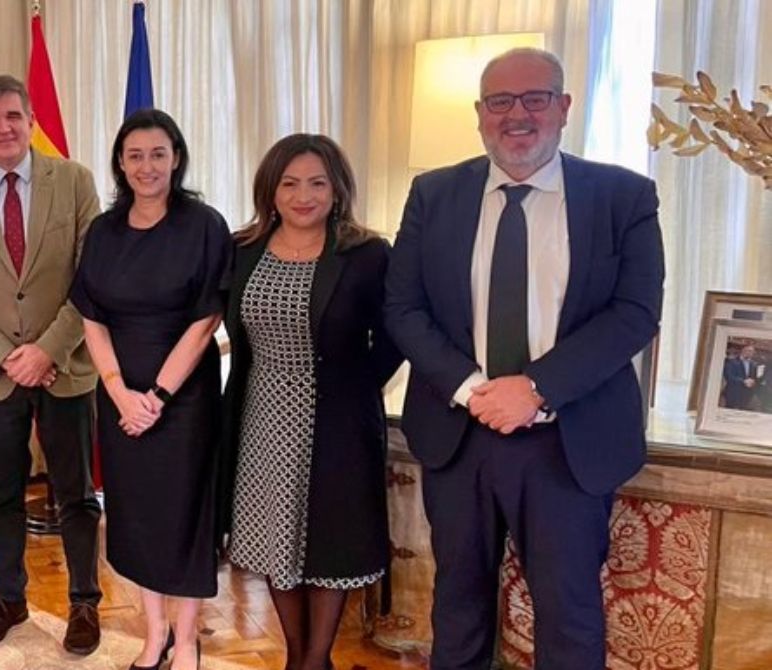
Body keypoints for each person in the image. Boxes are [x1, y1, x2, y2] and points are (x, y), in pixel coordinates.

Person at [385, 48, 664, 669]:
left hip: (568, 440)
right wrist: (472, 389)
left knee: (568, 617)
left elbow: (635, 312)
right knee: (457, 609)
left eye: (535, 98)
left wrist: (535, 388)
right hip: (460, 434)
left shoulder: (623, 196)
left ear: (563, 107)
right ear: (479, 113)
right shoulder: (433, 194)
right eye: (500, 102)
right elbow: (402, 307)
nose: (517, 115)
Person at [0, 74, 104, 655]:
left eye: (12, 115)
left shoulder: (74, 181)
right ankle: (9, 598)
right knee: (0, 494)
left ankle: (84, 602)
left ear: (30, 120)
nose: (3, 127)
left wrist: (47, 350)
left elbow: (91, 278)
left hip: (65, 366)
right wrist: (8, 356)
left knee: (75, 494)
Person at [220, 133, 402, 670]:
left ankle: (314, 659)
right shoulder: (242, 249)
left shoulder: (366, 253)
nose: (304, 196)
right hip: (261, 414)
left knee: (330, 542)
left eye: (317, 183)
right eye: (290, 184)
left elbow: (394, 336)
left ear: (337, 189)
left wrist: (355, 386)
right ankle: (298, 656)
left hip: (338, 419)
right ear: (270, 191)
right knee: (275, 537)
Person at [69, 109, 228, 670]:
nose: (147, 166)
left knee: (183, 517)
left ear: (176, 157)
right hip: (120, 400)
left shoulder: (204, 225)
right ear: (120, 162)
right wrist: (119, 393)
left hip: (184, 401)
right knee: (136, 518)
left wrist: (157, 397)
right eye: (135, 155)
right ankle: (155, 631)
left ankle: (187, 639)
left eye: (158, 154)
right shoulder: (103, 231)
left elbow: (206, 321)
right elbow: (91, 317)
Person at [723, 343, 760, 410]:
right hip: (733, 394)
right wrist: (743, 381)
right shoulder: (732, 362)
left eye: (752, 351)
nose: (750, 353)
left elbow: (754, 378)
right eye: (748, 350)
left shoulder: (754, 364)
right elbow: (729, 377)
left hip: (747, 396)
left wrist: (753, 382)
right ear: (742, 350)